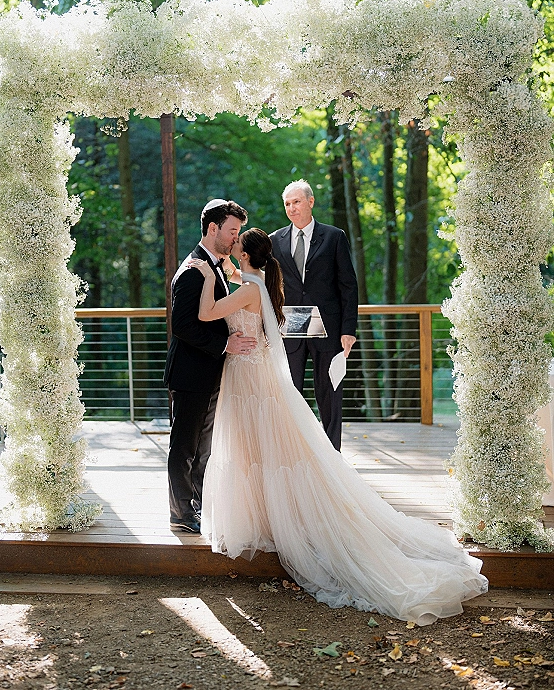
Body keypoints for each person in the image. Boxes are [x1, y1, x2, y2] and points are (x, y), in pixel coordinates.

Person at [188, 227, 487, 624]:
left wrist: (208, 276)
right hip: (254, 373)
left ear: (245, 255)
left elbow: (207, 313)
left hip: (248, 378)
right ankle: (267, 515)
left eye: (237, 244)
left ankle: (271, 520)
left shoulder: (246, 288)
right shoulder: (259, 282)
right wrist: (228, 269)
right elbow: (244, 283)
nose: (233, 244)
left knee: (252, 448)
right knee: (259, 450)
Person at [163, 199, 256, 534]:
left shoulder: (217, 263)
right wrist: (225, 344)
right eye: (232, 231)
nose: (235, 238)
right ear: (213, 228)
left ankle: (199, 506)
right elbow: (184, 326)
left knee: (203, 446)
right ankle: (180, 513)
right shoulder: (193, 270)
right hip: (190, 374)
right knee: (184, 445)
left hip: (208, 372)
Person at [270, 180, 358, 450]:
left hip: (328, 328)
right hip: (291, 324)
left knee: (329, 393)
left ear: (310, 202)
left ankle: (333, 456)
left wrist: (348, 330)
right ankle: (293, 451)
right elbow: (267, 284)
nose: (291, 208)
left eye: (296, 202)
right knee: (290, 393)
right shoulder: (275, 240)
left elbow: (348, 286)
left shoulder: (334, 237)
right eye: (287, 204)